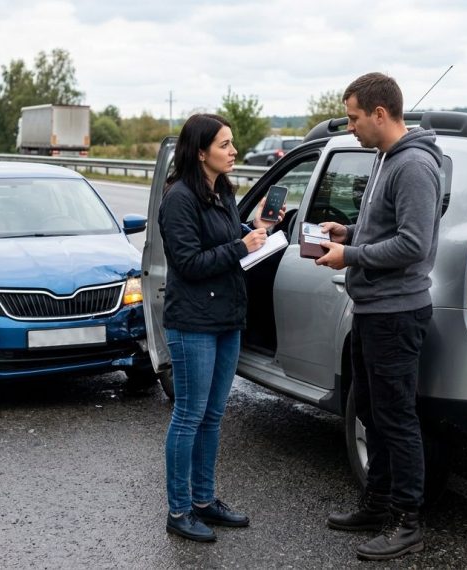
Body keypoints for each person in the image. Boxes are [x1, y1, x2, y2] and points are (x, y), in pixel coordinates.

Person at [315, 72, 443, 561]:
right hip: (372, 310)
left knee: (396, 419)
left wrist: (349, 256)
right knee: (369, 411)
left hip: (397, 313)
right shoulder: (386, 157)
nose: (350, 127)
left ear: (380, 113)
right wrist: (349, 232)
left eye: (354, 118)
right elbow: (386, 228)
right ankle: (377, 504)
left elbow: (414, 244)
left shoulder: (414, 165)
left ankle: (408, 523)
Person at [158, 113, 282, 542]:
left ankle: (204, 500)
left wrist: (257, 230)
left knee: (212, 415)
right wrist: (239, 246)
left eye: (232, 143)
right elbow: (188, 263)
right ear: (200, 152)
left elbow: (227, 237)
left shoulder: (222, 191)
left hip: (227, 318)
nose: (234, 151)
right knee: (188, 416)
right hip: (192, 322)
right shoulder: (179, 198)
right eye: (225, 144)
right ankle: (179, 510)